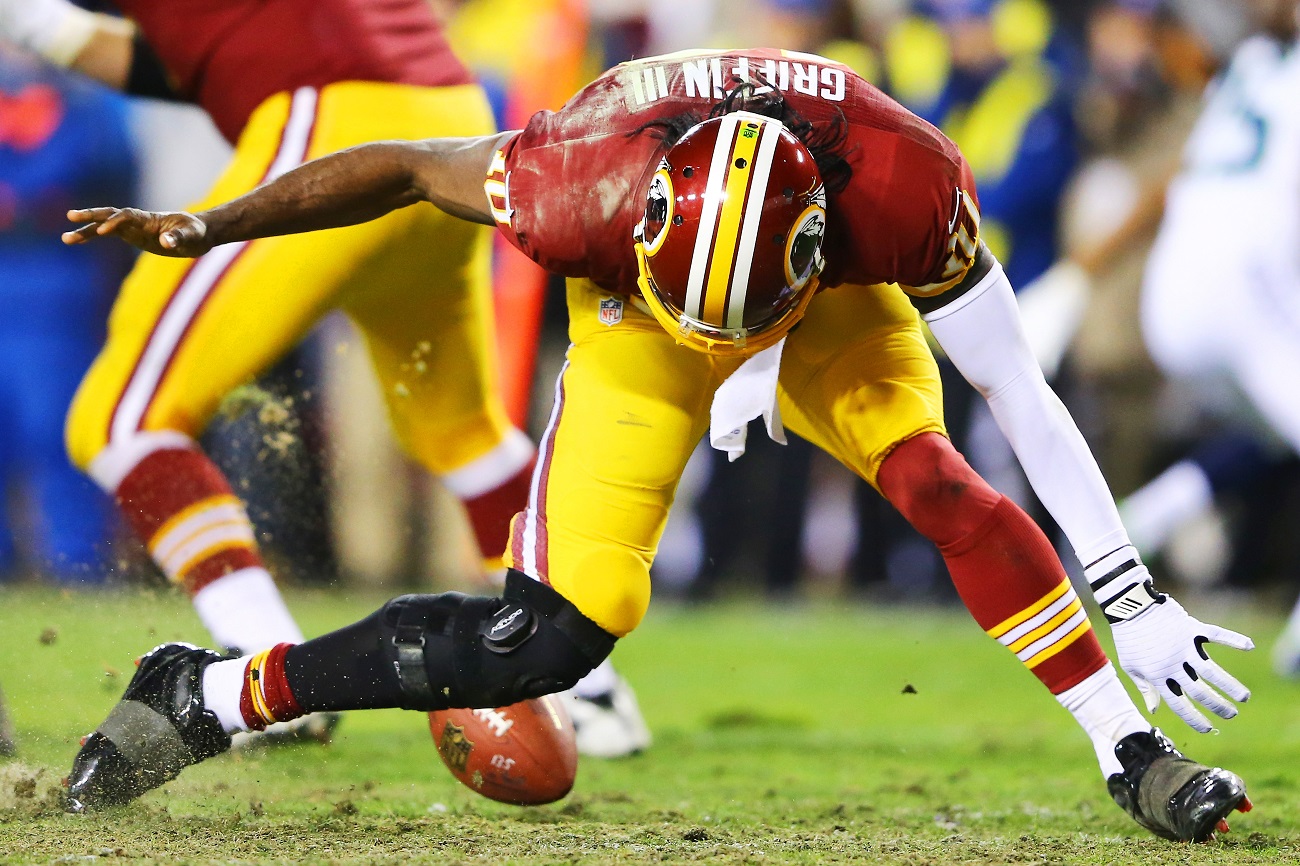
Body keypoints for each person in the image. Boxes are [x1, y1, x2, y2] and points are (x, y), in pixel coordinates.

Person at [60, 48, 1254, 842]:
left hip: (825, 306)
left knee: (938, 479)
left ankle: (1127, 745)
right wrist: (211, 222)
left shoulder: (902, 184)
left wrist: (1129, 592)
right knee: (535, 644)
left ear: (821, 232)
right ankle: (208, 691)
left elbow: (1019, 392)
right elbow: (405, 168)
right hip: (638, 313)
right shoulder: (577, 175)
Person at [0, 0, 647, 753]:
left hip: (333, 120)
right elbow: (194, 58)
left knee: (120, 418)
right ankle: (591, 689)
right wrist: (40, 24)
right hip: (446, 121)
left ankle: (261, 666)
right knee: (460, 429)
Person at [1121, 0, 1300, 674]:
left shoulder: (1249, 64)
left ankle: (1149, 515)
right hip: (1249, 281)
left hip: (1174, 288)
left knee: (1275, 431)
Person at [0, 45, 134, 585]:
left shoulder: (83, 103)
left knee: (57, 429)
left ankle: (79, 567)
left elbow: (114, 173)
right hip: (20, 272)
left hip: (55, 278)